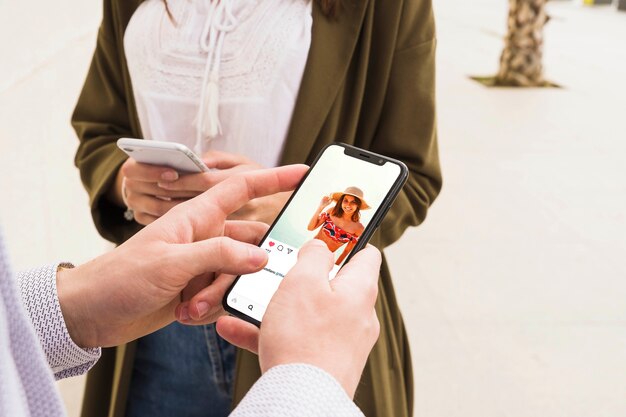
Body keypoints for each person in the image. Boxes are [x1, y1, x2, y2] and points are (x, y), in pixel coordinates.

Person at [72, 0, 442, 415]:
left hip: (303, 318)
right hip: (153, 317)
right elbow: (100, 129)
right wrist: (125, 182)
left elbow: (414, 176)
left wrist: (297, 212)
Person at [0, 166, 381, 416]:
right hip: (162, 336)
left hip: (255, 288)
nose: (347, 203)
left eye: (351, 201)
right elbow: (100, 130)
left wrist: (73, 307)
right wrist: (309, 384)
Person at [307, 187, 368, 265]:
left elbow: (346, 251)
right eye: (345, 201)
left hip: (326, 259)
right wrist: (320, 207)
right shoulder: (332, 211)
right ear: (341, 201)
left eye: (353, 202)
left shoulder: (359, 228)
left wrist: (336, 267)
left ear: (358, 205)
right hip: (310, 248)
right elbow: (310, 228)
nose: (348, 205)